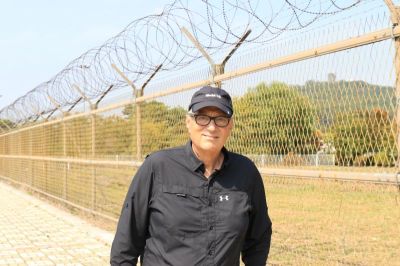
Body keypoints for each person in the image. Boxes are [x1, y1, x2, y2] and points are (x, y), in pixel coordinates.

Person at [110, 86, 272, 266]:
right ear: (188, 122)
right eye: (202, 118)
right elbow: (126, 243)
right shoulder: (157, 167)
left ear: (230, 125)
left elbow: (259, 238)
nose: (211, 127)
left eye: (220, 119)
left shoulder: (246, 172)